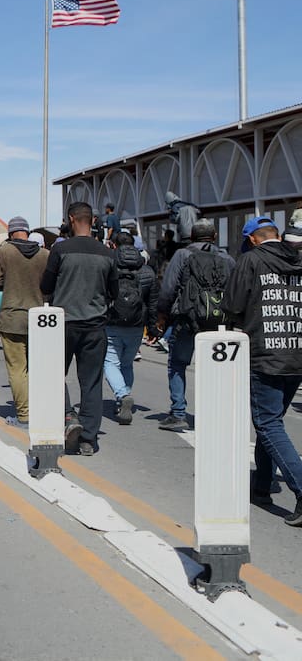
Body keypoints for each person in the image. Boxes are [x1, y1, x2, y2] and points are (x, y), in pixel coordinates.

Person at [222, 217, 302, 525]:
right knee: (273, 421)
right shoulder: (297, 260)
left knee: (267, 424)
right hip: (296, 353)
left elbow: (232, 304)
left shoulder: (251, 260)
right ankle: (262, 485)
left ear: (253, 239)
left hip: (265, 353)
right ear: (276, 235)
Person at [39, 202, 118, 455]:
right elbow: (114, 291)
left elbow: (46, 286)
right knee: (91, 382)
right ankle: (88, 439)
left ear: (71, 219)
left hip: (63, 323)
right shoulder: (106, 253)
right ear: (93, 221)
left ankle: (67, 416)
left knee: (54, 374)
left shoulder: (60, 249)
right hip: (95, 325)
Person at [154, 218, 235, 432]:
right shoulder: (226, 258)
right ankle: (214, 413)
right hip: (219, 321)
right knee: (216, 369)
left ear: (191, 236)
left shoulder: (182, 255)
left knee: (178, 364)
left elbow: (168, 288)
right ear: (215, 236)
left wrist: (162, 315)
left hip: (187, 318)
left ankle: (178, 413)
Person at [0, 217, 49, 428]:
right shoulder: (45, 254)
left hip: (13, 317)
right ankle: (42, 408)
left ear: (10, 233)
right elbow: (51, 284)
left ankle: (24, 415)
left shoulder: (3, 251)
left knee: (17, 369)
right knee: (38, 367)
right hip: (41, 318)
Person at [103, 231, 158, 425]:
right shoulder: (147, 272)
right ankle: (123, 399)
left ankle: (122, 395)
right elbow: (152, 304)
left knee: (110, 363)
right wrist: (152, 329)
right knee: (126, 364)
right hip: (136, 325)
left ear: (114, 246)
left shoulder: (109, 266)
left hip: (112, 322)